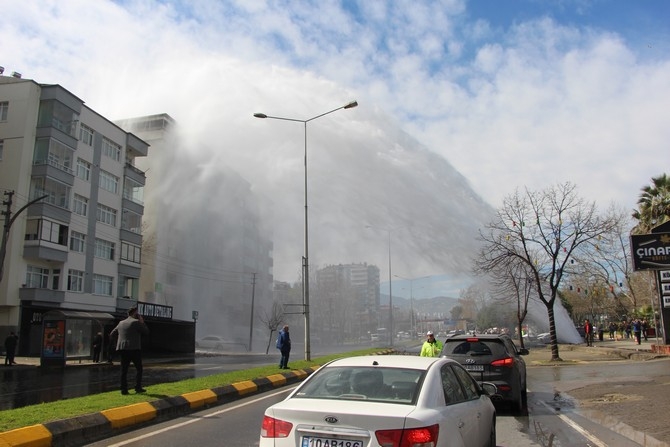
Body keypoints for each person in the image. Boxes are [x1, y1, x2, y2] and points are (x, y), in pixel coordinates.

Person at [110, 306, 149, 395]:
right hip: (134, 348)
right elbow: (146, 332)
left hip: (123, 349)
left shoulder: (121, 323)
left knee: (124, 371)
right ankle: (137, 387)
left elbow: (112, 334)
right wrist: (142, 322)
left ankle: (124, 390)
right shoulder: (136, 322)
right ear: (135, 314)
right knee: (139, 369)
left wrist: (118, 342)